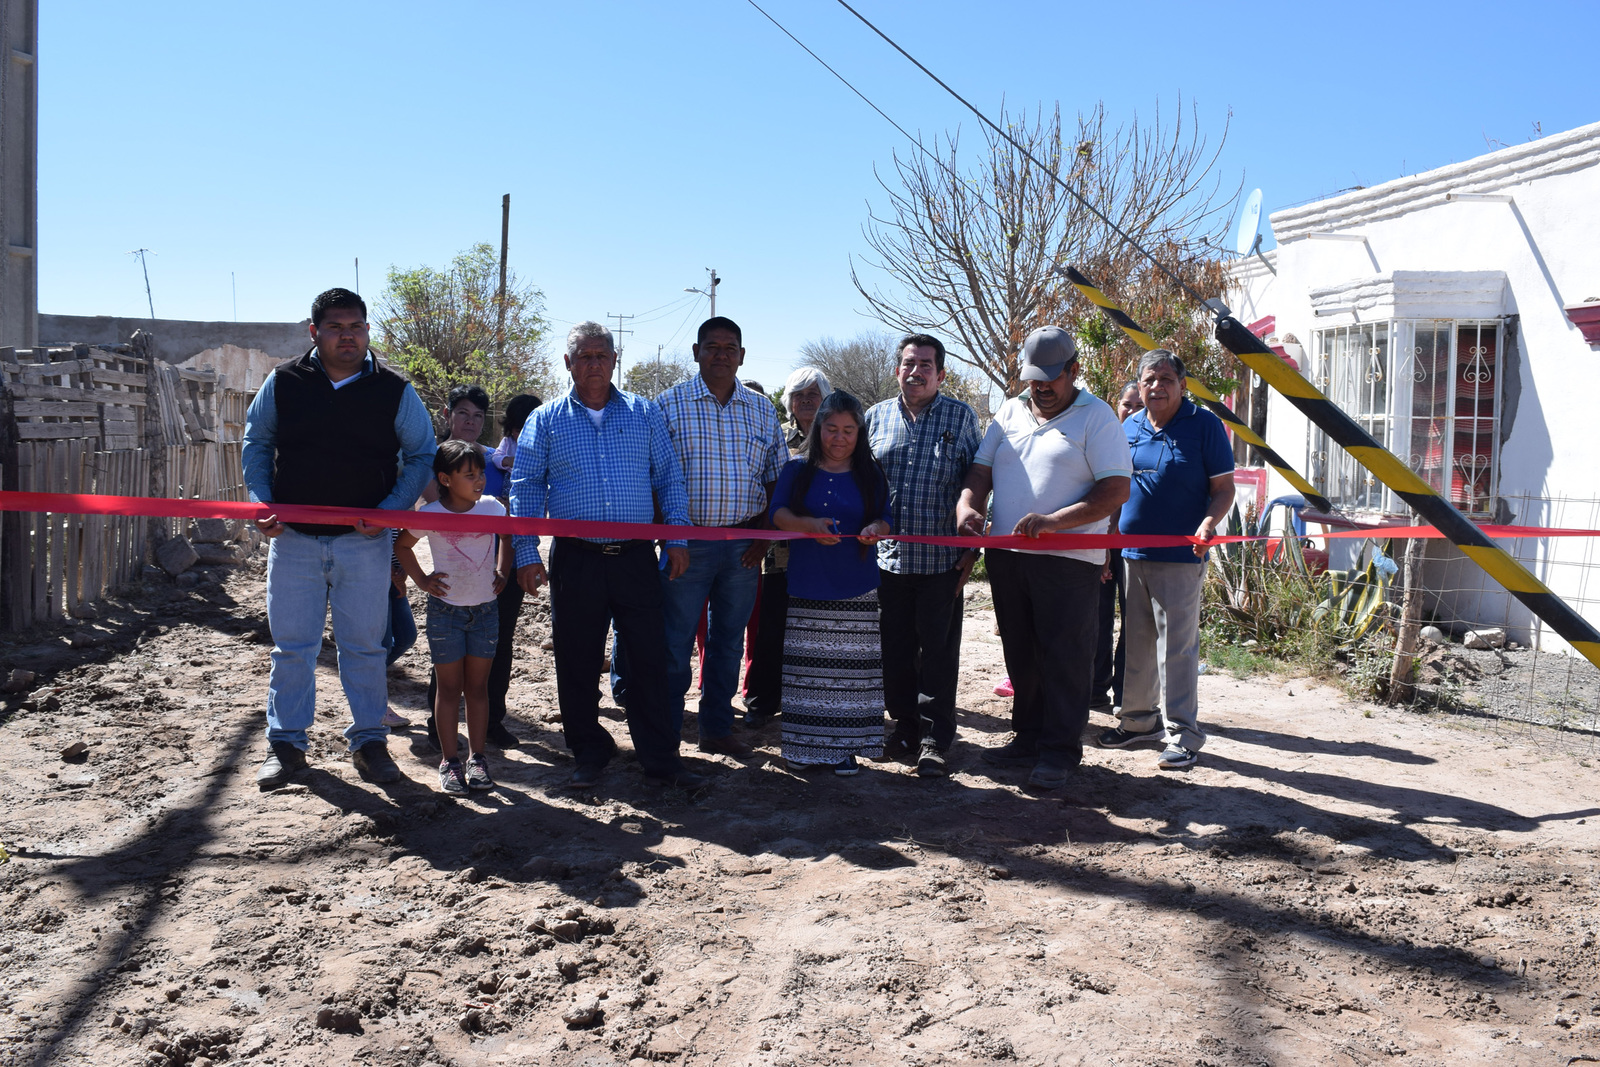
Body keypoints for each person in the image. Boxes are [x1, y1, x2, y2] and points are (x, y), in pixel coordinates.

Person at [244, 287, 437, 789]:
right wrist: (263, 502)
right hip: (294, 541)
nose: (347, 336)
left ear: (367, 331)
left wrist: (389, 513)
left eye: (356, 327)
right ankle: (286, 746)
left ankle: (370, 744)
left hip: (363, 544)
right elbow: (257, 442)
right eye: (335, 327)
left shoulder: (394, 390)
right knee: (292, 649)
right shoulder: (284, 382)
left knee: (366, 648)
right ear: (315, 332)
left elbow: (422, 453)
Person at [510, 321, 704, 791]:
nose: (594, 363)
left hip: (635, 558)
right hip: (575, 560)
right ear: (568, 362)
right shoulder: (546, 419)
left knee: (647, 660)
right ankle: (589, 751)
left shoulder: (644, 412)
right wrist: (525, 552)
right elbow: (526, 488)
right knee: (577, 659)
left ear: (615, 361)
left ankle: (660, 758)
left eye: (602, 355)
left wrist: (677, 539)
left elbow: (668, 479)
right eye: (585, 356)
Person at [955, 325, 1131, 790]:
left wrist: (1054, 521)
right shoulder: (1009, 411)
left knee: (1065, 656)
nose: (1042, 387)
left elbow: (1116, 489)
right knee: (1021, 651)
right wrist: (967, 506)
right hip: (1008, 557)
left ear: (1075, 370)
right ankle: (1028, 737)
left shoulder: (1098, 417)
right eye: (1034, 378)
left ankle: (1059, 751)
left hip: (1069, 560)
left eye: (1051, 378)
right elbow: (980, 470)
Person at [654, 317, 788, 758]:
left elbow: (776, 479)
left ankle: (715, 728)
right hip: (686, 544)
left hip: (744, 548)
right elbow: (652, 476)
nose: (721, 355)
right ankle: (667, 732)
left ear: (742, 356)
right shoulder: (667, 405)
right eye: (712, 346)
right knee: (674, 643)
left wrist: (763, 536)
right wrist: (670, 537)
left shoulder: (762, 409)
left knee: (728, 643)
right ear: (696, 352)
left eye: (730, 348)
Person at [1100, 350, 1235, 770]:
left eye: (1165, 379)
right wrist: (1109, 543)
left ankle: (1183, 735)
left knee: (1176, 648)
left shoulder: (1205, 425)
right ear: (1139, 386)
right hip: (1132, 554)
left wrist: (1209, 523)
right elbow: (1118, 489)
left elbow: (1224, 489)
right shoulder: (1130, 426)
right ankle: (1139, 722)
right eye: (1149, 380)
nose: (1156, 386)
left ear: (1182, 385)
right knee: (1137, 643)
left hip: (1182, 556)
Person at [866, 334, 981, 777]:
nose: (916, 372)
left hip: (941, 564)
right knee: (894, 652)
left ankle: (935, 738)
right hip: (888, 562)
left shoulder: (961, 417)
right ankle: (905, 727)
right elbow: (865, 484)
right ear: (897, 369)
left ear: (941, 373)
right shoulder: (875, 417)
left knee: (938, 654)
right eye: (909, 363)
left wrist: (971, 551)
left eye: (926, 365)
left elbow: (978, 482)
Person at [770, 391, 892, 775]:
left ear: (860, 433)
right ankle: (803, 747)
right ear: (818, 428)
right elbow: (777, 514)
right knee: (807, 672)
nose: (839, 438)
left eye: (848, 430)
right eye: (831, 428)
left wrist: (875, 528)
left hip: (857, 585)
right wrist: (807, 525)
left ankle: (844, 749)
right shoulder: (796, 469)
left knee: (849, 674)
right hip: (808, 582)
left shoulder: (871, 472)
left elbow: (886, 517)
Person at [424, 389, 541, 751]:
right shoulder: (436, 460)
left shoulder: (496, 459)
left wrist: (503, 513)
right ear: (448, 415)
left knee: (499, 643)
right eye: (463, 413)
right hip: (454, 575)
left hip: (498, 571)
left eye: (478, 415)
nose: (470, 422)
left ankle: (492, 723)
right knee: (448, 654)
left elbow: (517, 508)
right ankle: (437, 727)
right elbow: (437, 510)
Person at [395, 441, 514, 794]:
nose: (480, 481)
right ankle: (450, 761)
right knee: (448, 689)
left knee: (477, 688)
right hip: (444, 613)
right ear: (445, 479)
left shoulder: (493, 507)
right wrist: (422, 581)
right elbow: (402, 545)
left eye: (480, 473)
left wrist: (502, 572)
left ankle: (478, 759)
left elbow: (507, 538)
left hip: (485, 611)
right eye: (469, 475)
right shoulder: (430, 513)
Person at [743, 366, 832, 727]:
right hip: (779, 553)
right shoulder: (776, 435)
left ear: (826, 397)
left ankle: (814, 702)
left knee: (819, 630)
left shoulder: (839, 435)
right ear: (788, 401)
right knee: (772, 628)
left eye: (813, 393)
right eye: (799, 394)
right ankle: (762, 702)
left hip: (827, 550)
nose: (806, 400)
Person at [1091, 381, 1145, 713]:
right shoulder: (1102, 439)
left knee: (1134, 620)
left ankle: (1126, 693)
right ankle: (1095, 689)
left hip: (1135, 547)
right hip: (1100, 541)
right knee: (1096, 618)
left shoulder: (1152, 441)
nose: (1133, 411)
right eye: (1128, 404)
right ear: (1117, 406)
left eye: (1140, 406)